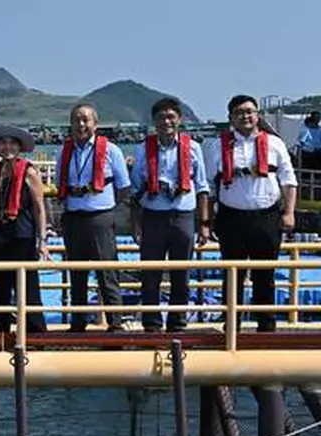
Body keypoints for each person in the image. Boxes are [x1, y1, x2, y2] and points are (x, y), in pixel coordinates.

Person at [203, 94, 298, 333]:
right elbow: (208, 187)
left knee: (265, 275)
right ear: (230, 118)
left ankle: (266, 327)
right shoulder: (217, 146)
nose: (245, 116)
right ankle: (231, 326)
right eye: (239, 112)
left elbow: (288, 181)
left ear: (257, 115)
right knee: (232, 276)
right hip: (231, 218)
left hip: (266, 218)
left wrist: (289, 213)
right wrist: (205, 221)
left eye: (249, 111)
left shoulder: (275, 144)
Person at [128, 98, 210, 333]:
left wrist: (204, 224)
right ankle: (151, 325)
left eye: (171, 116)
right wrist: (136, 225)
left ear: (179, 119)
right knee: (150, 273)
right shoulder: (143, 149)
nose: (166, 121)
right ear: (154, 121)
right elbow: (135, 192)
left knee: (181, 274)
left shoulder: (193, 147)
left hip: (183, 216)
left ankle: (177, 324)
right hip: (153, 216)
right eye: (161, 117)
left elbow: (202, 186)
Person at [55, 102, 132, 332]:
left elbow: (123, 187)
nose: (81, 124)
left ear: (95, 124)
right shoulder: (63, 152)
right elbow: (61, 183)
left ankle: (115, 324)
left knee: (107, 273)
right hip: (73, 218)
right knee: (76, 274)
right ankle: (78, 324)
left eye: (85, 120)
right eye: (76, 120)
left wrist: (105, 207)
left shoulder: (112, 151)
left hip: (101, 218)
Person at [0, 125, 48, 334]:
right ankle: (1, 330)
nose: (7, 147)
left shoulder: (29, 171)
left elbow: (39, 207)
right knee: (0, 287)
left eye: (12, 143)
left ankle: (35, 333)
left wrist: (42, 240)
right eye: (3, 142)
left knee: (27, 287)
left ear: (19, 147)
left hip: (23, 236)